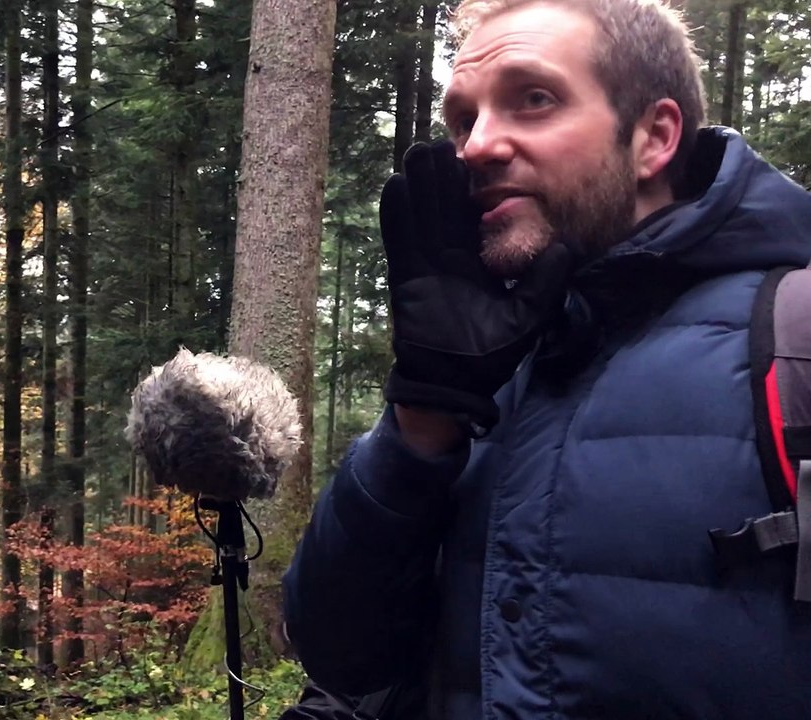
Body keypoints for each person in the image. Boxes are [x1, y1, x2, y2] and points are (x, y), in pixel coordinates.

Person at [281, 0, 811, 717]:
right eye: (463, 120)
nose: (476, 147)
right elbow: (343, 657)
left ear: (654, 136)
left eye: (533, 100)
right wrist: (422, 419)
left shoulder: (793, 337)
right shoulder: (478, 368)